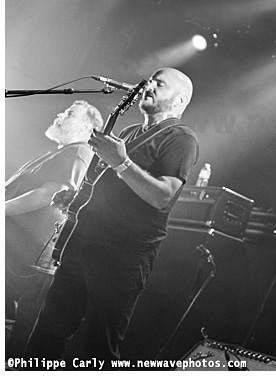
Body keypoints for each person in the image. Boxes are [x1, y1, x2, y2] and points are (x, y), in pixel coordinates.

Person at [25, 67, 199, 366]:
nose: (148, 86)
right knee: (47, 333)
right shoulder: (130, 132)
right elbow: (109, 187)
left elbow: (163, 196)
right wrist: (77, 198)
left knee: (99, 347)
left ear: (180, 99)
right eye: (149, 81)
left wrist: (121, 162)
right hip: (83, 245)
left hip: (123, 256)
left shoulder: (181, 138)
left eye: (159, 84)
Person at [5, 101, 103, 352]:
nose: (60, 114)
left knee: (12, 319)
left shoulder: (80, 151)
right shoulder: (64, 152)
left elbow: (51, 193)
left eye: (70, 113)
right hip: (18, 248)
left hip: (27, 252)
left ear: (87, 127)